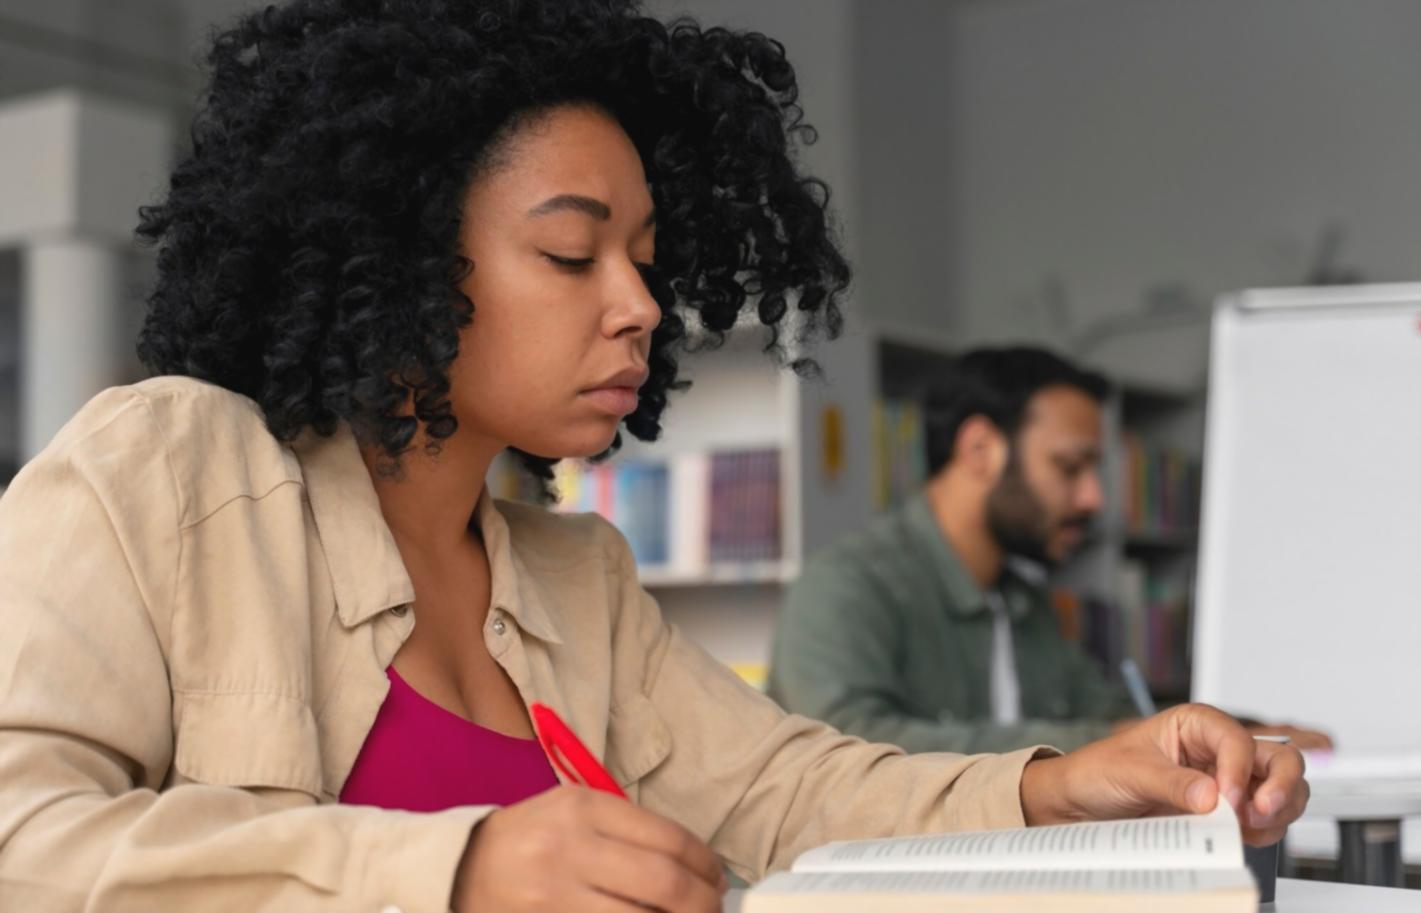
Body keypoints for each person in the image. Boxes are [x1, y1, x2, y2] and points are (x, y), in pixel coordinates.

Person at [0, 4, 1307, 912]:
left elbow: (792, 794)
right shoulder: (170, 466)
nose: (635, 302)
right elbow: (19, 840)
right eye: (572, 254)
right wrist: (449, 875)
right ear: (395, 257)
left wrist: (1065, 784)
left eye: (643, 255)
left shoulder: (576, 574)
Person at [769, 347, 1333, 756]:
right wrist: (1121, 741)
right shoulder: (844, 583)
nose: (1094, 497)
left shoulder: (1022, 600)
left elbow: (1109, 713)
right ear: (980, 449)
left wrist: (1236, 730)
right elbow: (842, 754)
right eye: (1070, 467)